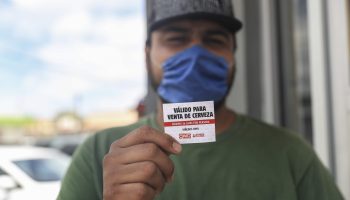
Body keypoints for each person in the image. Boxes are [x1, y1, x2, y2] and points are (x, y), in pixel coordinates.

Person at [57, 0, 344, 199]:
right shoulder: (100, 154)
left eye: (214, 40)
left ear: (233, 56)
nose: (196, 55)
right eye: (176, 38)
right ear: (147, 56)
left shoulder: (290, 154)